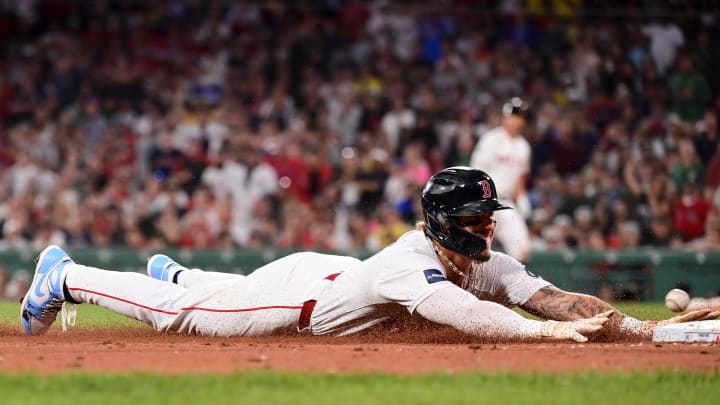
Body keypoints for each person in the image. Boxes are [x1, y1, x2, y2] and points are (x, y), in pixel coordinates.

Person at [20, 167, 718, 342]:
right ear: (449, 221)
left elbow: (560, 302)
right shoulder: (410, 261)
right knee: (184, 316)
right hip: (300, 301)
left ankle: (186, 272)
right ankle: (67, 275)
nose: (491, 228)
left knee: (207, 289)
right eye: (479, 217)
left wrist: (647, 328)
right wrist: (547, 335)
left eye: (489, 215)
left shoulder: (484, 261)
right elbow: (466, 315)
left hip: (331, 272)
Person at [470, 98, 532, 262]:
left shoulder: (523, 146)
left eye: (519, 116)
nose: (516, 120)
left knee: (523, 250)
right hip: (484, 200)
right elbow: (476, 172)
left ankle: (513, 286)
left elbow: (519, 178)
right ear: (505, 117)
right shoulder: (491, 139)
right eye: (512, 115)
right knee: (474, 250)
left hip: (504, 202)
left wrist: (522, 198)